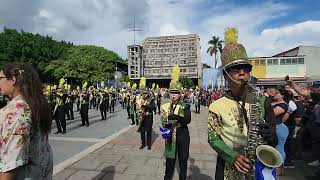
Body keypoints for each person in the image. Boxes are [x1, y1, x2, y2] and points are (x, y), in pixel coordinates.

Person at [208, 28, 277, 180]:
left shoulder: (262, 101)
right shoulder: (216, 106)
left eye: (246, 68)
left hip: (258, 167)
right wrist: (232, 156)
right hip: (228, 167)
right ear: (225, 75)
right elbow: (213, 139)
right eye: (235, 68)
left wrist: (270, 134)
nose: (242, 72)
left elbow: (274, 136)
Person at [0, 63, 53, 179]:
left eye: (0, 78)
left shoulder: (15, 111)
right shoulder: (37, 104)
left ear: (13, 80)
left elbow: (11, 163)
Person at [161, 65, 191, 180]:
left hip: (182, 134)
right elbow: (164, 122)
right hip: (170, 136)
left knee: (183, 162)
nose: (173, 95)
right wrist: (165, 132)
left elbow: (187, 119)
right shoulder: (165, 106)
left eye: (176, 92)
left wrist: (176, 117)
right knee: (169, 162)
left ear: (180, 93)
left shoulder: (185, 106)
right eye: (172, 92)